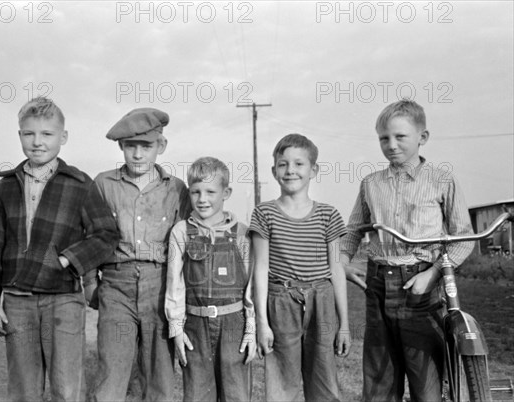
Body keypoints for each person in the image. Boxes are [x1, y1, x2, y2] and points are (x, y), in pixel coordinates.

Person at [0, 97, 118, 402]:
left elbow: (106, 234)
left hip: (63, 299)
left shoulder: (79, 184)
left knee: (66, 387)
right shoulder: (6, 187)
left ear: (62, 137)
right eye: (29, 134)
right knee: (24, 388)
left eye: (47, 134)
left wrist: (68, 259)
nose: (37, 142)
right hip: (16, 300)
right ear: (20, 136)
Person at [340, 99, 474, 402]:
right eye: (384, 138)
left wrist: (433, 274)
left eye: (400, 136)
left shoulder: (442, 180)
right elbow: (353, 231)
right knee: (379, 378)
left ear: (422, 138)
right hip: (378, 284)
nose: (391, 144)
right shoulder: (371, 183)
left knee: (424, 378)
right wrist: (344, 264)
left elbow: (464, 238)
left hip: (420, 287)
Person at [87, 107, 191, 402]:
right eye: (130, 146)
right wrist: (90, 284)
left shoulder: (177, 189)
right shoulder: (103, 184)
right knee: (111, 370)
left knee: (159, 373)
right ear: (121, 146)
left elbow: (186, 242)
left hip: (159, 285)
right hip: (116, 285)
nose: (137, 154)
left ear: (161, 146)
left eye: (146, 146)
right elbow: (90, 236)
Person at [250, 133, 350, 402]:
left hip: (322, 301)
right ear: (274, 171)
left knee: (324, 382)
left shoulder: (328, 214)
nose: (290, 170)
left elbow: (337, 270)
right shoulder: (264, 213)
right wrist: (262, 323)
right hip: (281, 301)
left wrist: (345, 325)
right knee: (283, 383)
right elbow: (260, 268)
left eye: (298, 164)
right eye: (283, 164)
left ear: (313, 170)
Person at [165, 157, 256, 401]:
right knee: (196, 394)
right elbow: (175, 284)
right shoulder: (181, 231)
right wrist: (176, 328)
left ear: (226, 192)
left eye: (210, 191)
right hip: (195, 326)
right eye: (195, 192)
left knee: (236, 394)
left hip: (234, 325)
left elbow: (251, 287)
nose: (202, 199)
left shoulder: (242, 233)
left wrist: (250, 328)